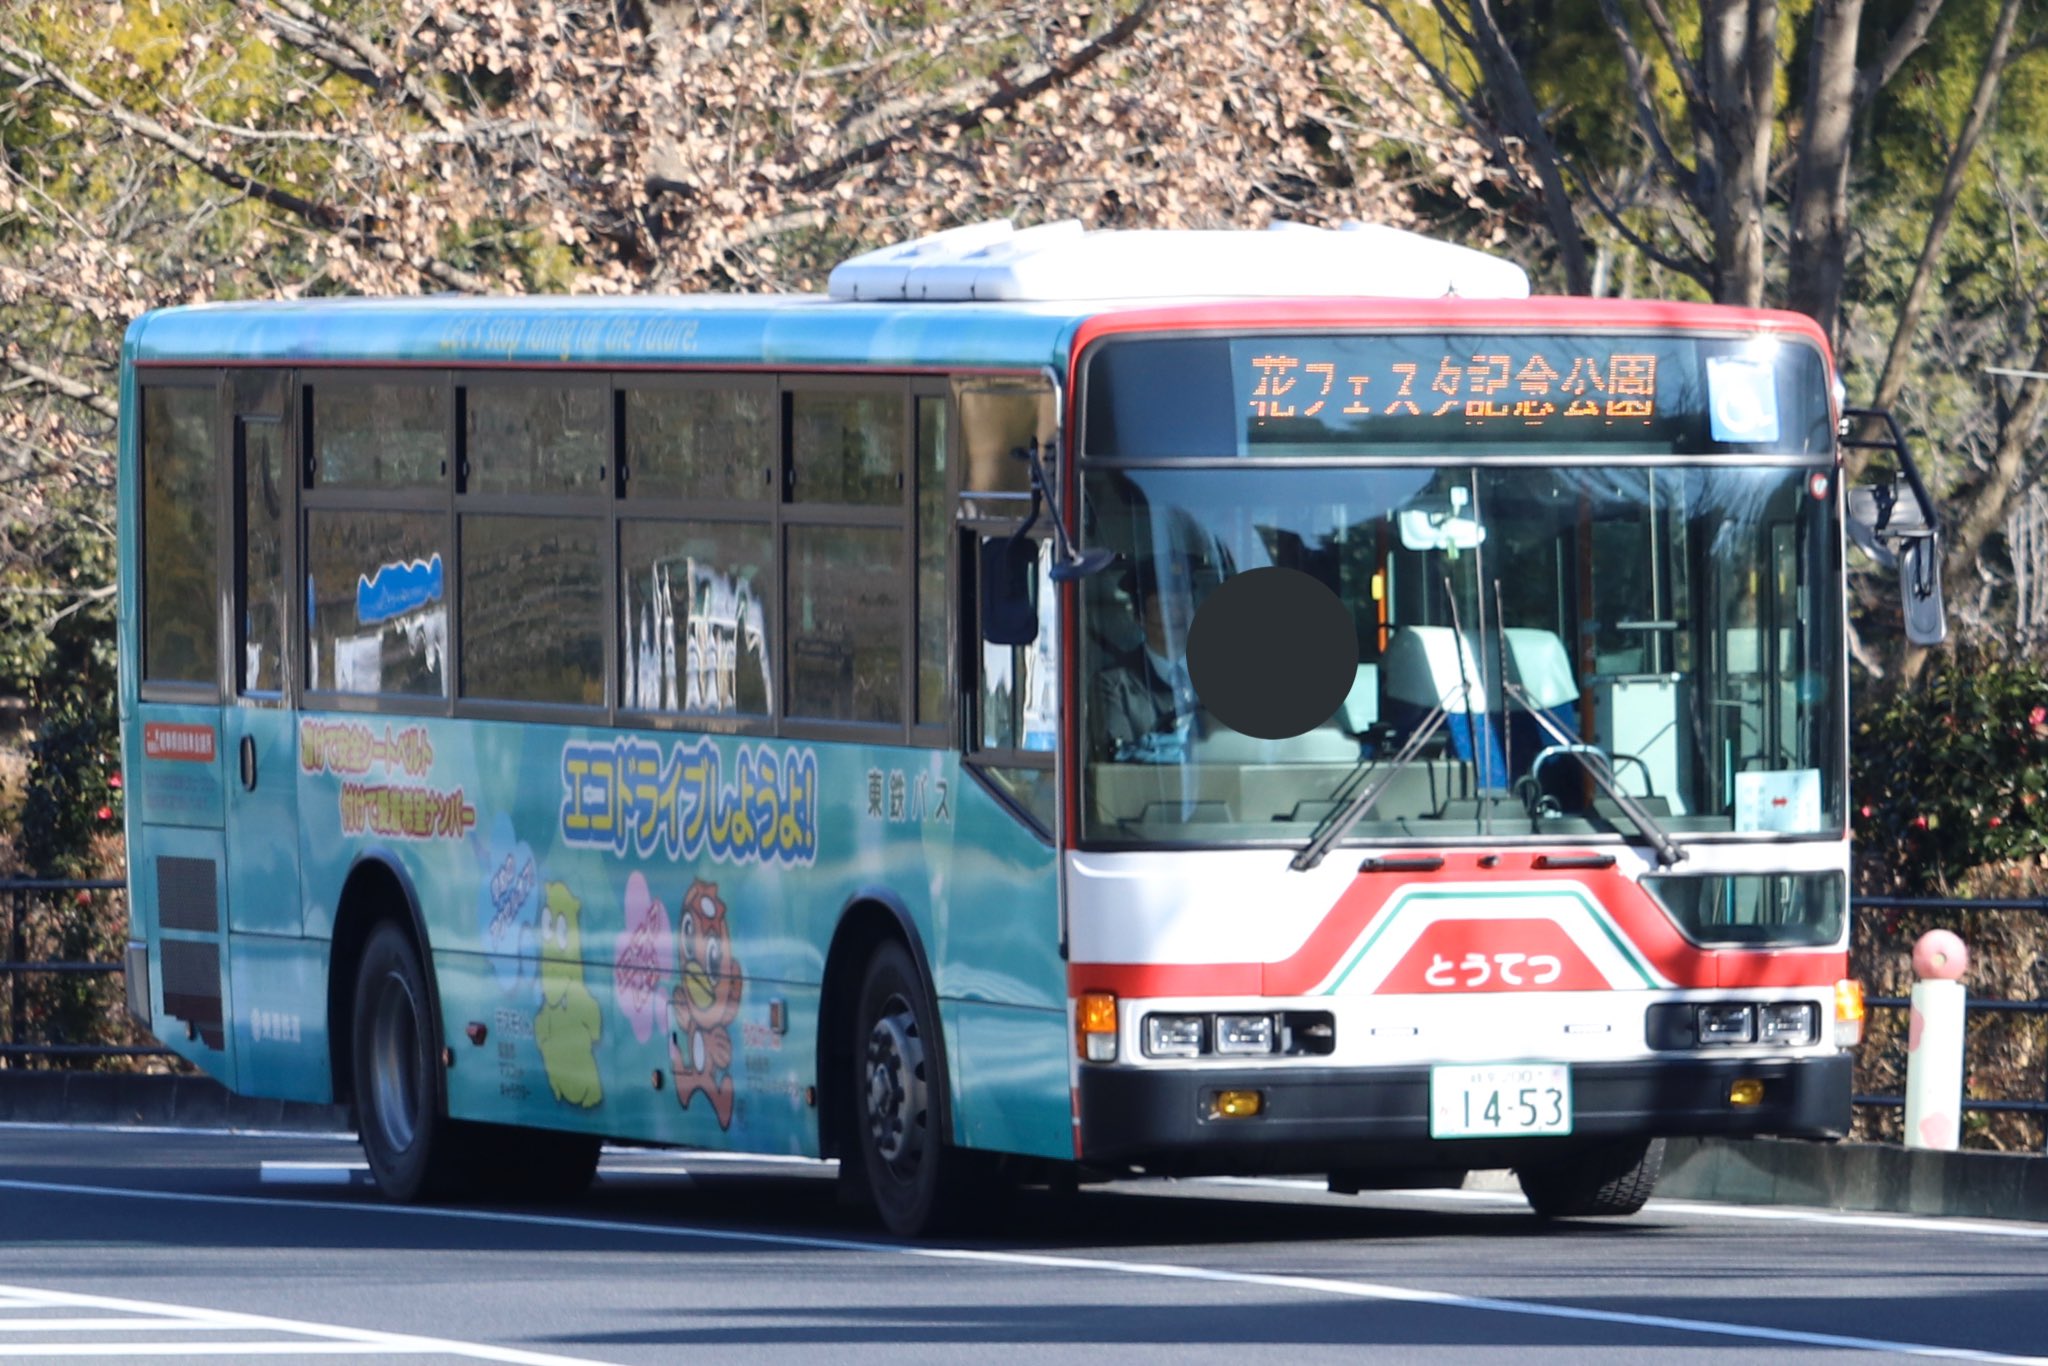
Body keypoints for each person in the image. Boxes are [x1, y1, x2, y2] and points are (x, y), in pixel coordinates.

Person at [1092, 557, 1201, 762]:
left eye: (1183, 604)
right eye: (1164, 606)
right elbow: (1120, 758)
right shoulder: (1113, 684)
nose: (1176, 615)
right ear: (1139, 617)